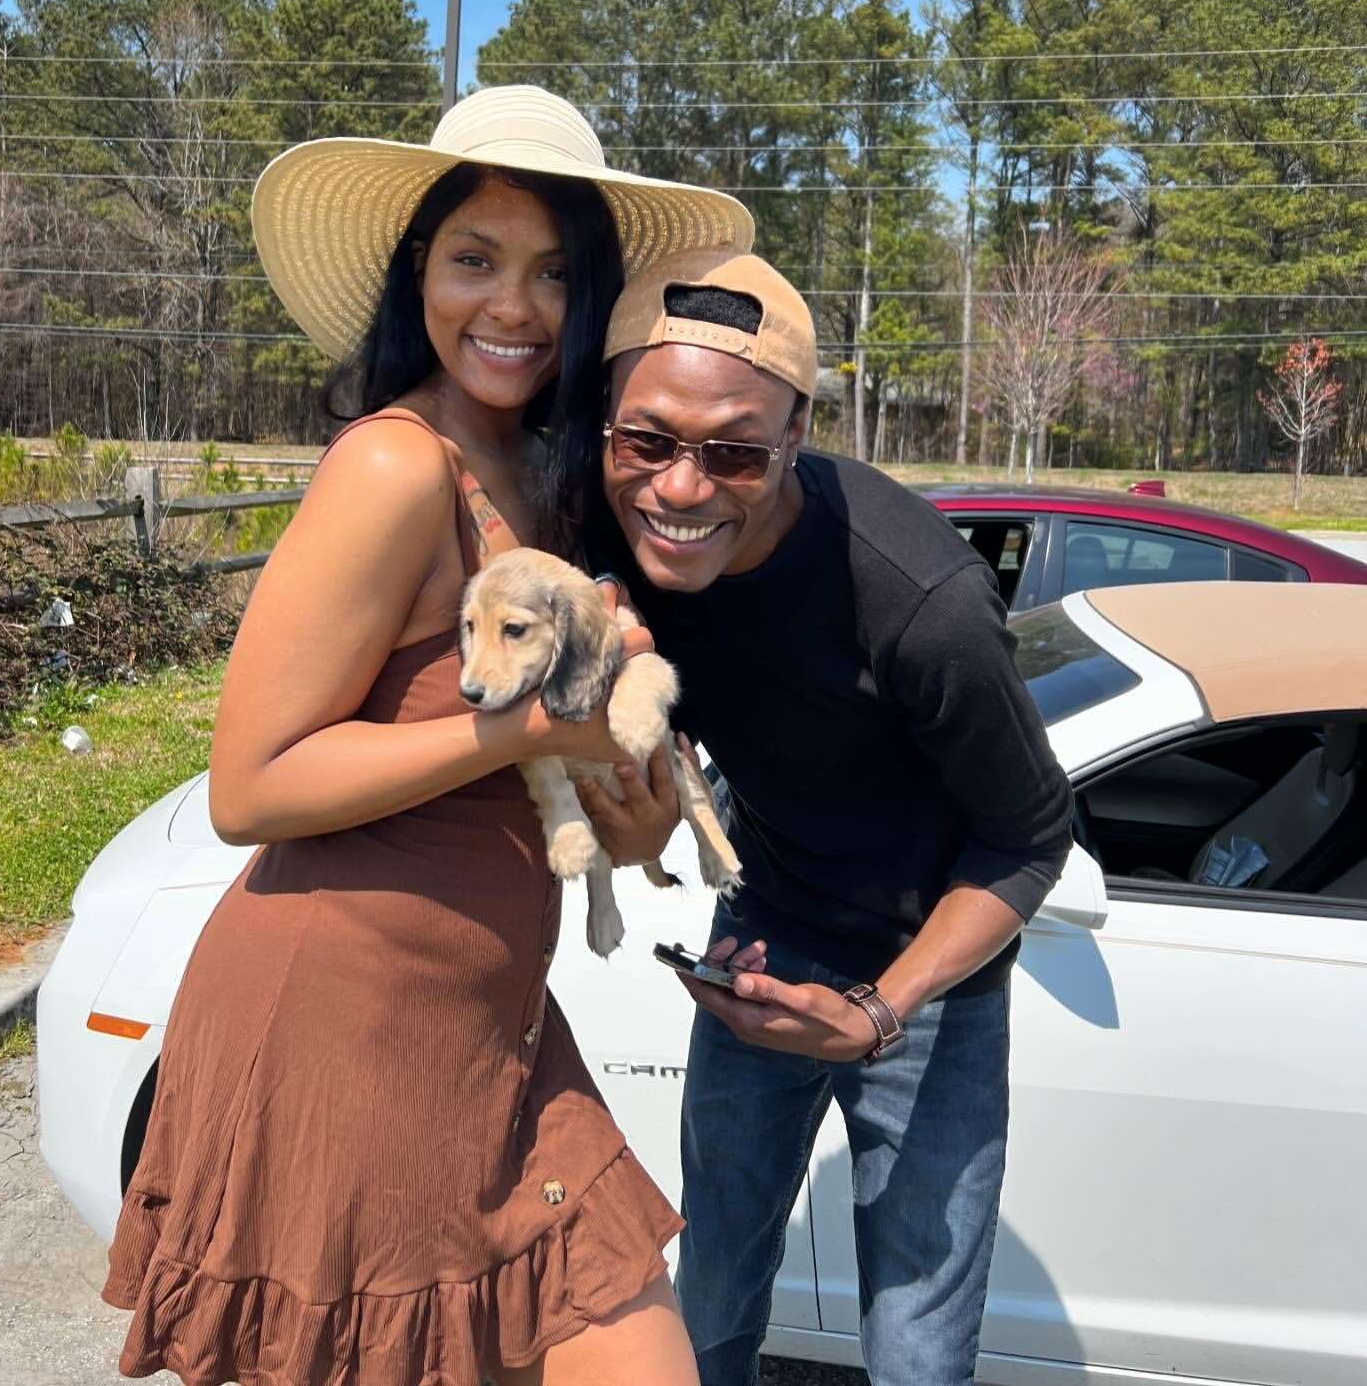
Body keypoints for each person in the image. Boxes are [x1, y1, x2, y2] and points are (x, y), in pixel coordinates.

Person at [101, 87, 753, 1386]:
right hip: (343, 1029)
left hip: (493, 1027)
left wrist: (635, 803)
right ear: (419, 273)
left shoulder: (546, 477)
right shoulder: (397, 466)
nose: (511, 307)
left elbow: (560, 780)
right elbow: (252, 782)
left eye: (555, 273)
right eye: (475, 260)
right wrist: (512, 729)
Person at [576, 246, 1076, 1386]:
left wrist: (880, 1009)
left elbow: (1031, 838)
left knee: (915, 1345)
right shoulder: (616, 540)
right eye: (647, 440)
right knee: (706, 1295)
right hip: (764, 938)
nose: (681, 488)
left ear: (795, 437)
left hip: (924, 991)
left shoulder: (922, 602)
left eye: (735, 451)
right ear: (607, 425)